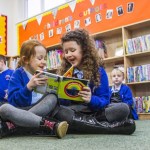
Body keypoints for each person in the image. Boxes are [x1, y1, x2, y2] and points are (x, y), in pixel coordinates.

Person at [52, 29, 136, 134]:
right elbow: (64, 104)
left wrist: (91, 99)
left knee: (123, 108)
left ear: (84, 49)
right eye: (66, 52)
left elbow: (104, 100)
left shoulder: (98, 71)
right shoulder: (65, 72)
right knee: (59, 111)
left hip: (95, 111)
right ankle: (109, 128)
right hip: (74, 111)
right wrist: (60, 93)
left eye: (72, 50)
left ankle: (81, 125)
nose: (68, 55)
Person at [0, 39, 68, 139]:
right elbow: (14, 101)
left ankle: (13, 126)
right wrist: (28, 87)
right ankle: (50, 125)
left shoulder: (46, 75)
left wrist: (62, 92)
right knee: (4, 108)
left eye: (45, 58)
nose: (44, 62)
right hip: (21, 109)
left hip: (39, 109)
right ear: (26, 60)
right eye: (40, 58)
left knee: (52, 97)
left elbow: (52, 102)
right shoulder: (17, 74)